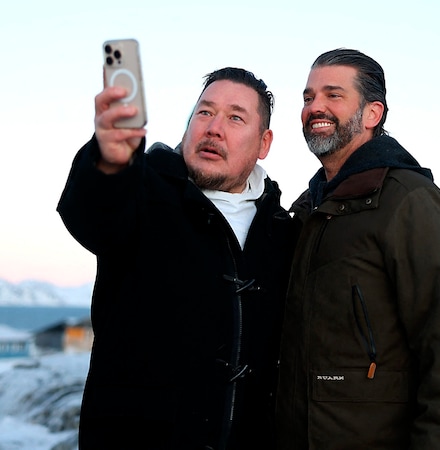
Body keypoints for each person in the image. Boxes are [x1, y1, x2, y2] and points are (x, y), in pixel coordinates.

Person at [57, 67, 295, 449]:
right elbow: (91, 215)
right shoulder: (142, 193)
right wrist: (109, 160)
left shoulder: (284, 232)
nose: (214, 128)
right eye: (204, 112)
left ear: (264, 143)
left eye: (235, 117)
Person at [275, 48, 440, 449]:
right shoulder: (306, 209)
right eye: (307, 97)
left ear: (373, 114)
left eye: (333, 95)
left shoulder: (410, 202)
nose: (314, 107)